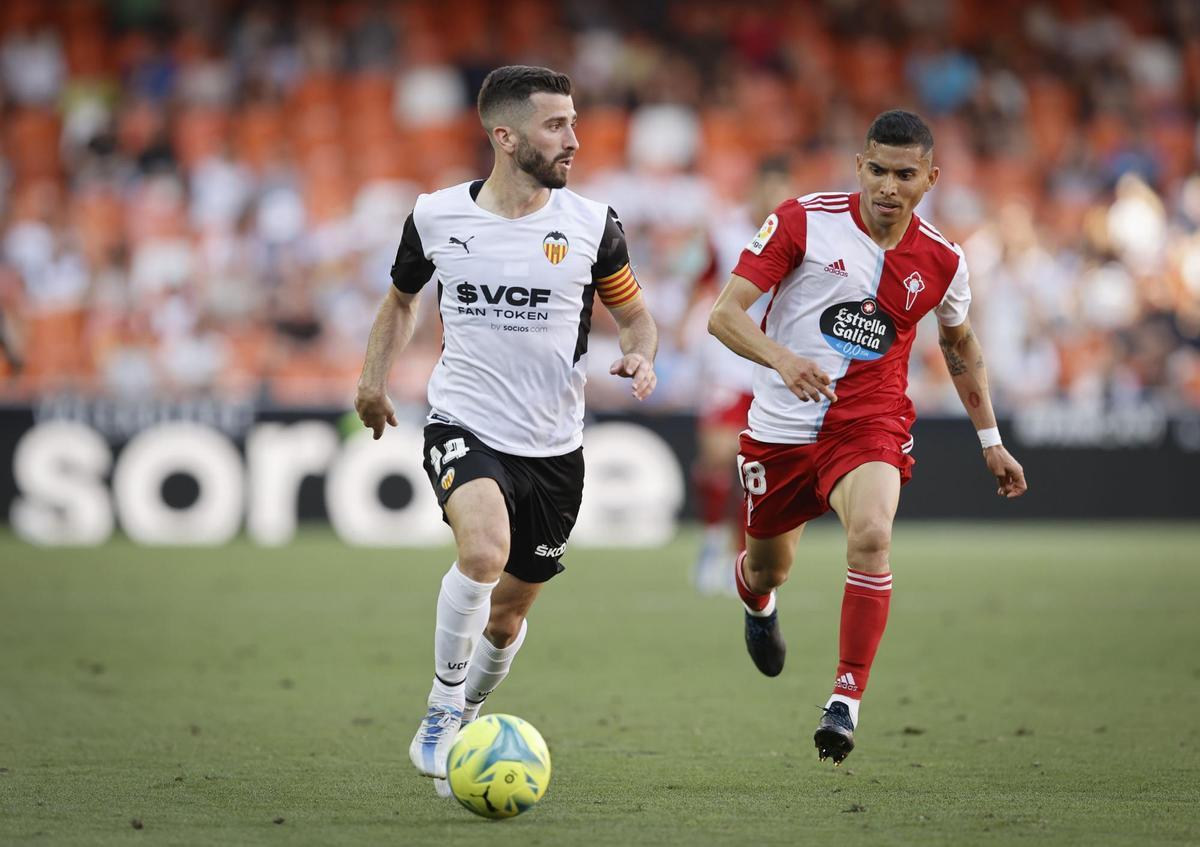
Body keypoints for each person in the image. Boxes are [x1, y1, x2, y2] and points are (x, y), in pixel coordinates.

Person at [354, 65, 658, 789]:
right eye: (557, 126)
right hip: (465, 419)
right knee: (483, 551)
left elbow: (636, 315)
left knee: (506, 618)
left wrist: (640, 355)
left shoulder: (593, 225)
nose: (574, 140)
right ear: (505, 135)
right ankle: (439, 707)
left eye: (575, 123)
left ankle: (469, 706)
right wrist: (372, 379)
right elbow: (401, 302)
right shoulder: (435, 215)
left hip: (555, 447)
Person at [707, 110, 1027, 765]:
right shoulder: (802, 219)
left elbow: (961, 346)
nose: (887, 185)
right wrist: (783, 359)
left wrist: (990, 437)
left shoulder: (943, 259)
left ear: (930, 178)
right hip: (781, 424)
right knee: (770, 564)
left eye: (904, 174)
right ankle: (757, 599)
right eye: (877, 169)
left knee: (873, 534)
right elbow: (723, 315)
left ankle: (844, 700)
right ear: (860, 166)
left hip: (868, 422)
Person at [681, 157, 796, 595]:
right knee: (715, 456)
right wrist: (682, 326)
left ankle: (736, 553)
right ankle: (711, 541)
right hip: (728, 360)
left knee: (755, 470)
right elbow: (702, 278)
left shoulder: (798, 235)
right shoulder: (724, 230)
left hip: (772, 363)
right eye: (771, 191)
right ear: (757, 190)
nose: (777, 201)